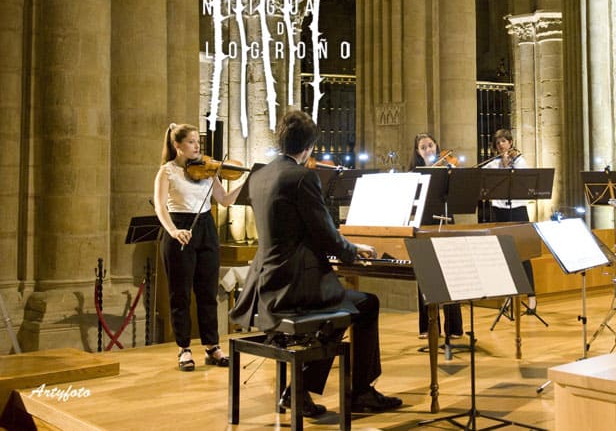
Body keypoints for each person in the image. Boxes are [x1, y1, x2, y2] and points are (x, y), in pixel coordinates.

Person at [229, 110, 402, 416]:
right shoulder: (303, 176)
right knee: (365, 304)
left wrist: (339, 248)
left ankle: (297, 391)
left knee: (339, 310)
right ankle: (360, 392)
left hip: (265, 285)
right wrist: (353, 249)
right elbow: (325, 233)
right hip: (293, 287)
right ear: (308, 147)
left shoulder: (259, 175)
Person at [153, 123, 245, 372]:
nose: (197, 146)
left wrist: (245, 184)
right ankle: (183, 348)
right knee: (180, 294)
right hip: (179, 227)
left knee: (207, 293)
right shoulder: (167, 171)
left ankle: (212, 346)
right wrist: (173, 231)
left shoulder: (207, 170)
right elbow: (160, 206)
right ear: (177, 146)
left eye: (198, 142)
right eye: (192, 142)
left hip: (206, 228)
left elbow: (224, 200)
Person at [408, 132, 464, 340]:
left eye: (430, 145)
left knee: (452, 273)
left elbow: (459, 190)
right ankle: (428, 326)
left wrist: (453, 173)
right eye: (423, 147)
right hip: (424, 223)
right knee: (425, 274)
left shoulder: (447, 168)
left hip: (446, 221)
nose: (428, 150)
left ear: (436, 146)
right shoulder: (415, 172)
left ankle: (454, 327)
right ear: (418, 152)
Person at [482, 128, 537, 312]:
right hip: (500, 211)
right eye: (498, 143)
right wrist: (502, 165)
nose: (501, 145)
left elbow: (526, 181)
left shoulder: (520, 161)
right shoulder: (493, 164)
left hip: (518, 210)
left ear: (510, 142)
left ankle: (531, 298)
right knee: (504, 255)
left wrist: (508, 166)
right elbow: (481, 178)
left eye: (504, 141)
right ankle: (507, 296)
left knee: (524, 255)